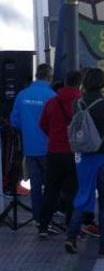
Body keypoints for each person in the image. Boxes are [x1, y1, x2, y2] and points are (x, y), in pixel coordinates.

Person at [64, 68, 104, 257]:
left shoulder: (78, 102)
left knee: (83, 196)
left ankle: (71, 235)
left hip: (83, 157)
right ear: (102, 84)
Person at [38, 70, 95, 237]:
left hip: (54, 151)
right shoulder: (82, 102)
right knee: (73, 191)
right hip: (75, 153)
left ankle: (43, 225)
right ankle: (72, 227)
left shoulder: (52, 102)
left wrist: (55, 137)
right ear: (80, 83)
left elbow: (43, 125)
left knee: (51, 189)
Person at [10, 63, 55, 223]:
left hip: (29, 148)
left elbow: (14, 121)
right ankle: (49, 219)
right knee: (51, 185)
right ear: (49, 77)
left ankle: (38, 219)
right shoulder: (51, 96)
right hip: (48, 148)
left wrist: (28, 128)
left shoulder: (22, 95)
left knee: (35, 186)